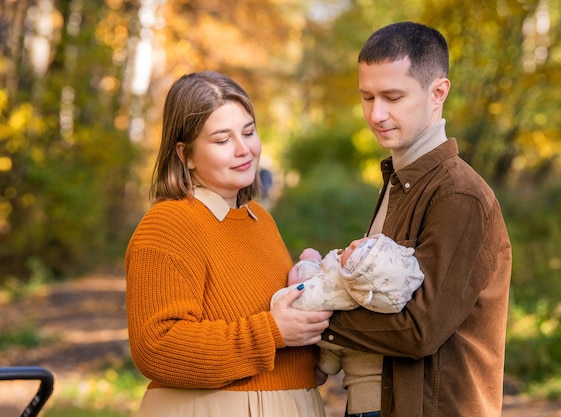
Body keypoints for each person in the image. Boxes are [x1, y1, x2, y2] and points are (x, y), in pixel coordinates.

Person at [321, 22, 512, 417]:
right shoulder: (399, 180)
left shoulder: (458, 194)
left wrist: (316, 318)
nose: (376, 113)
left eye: (393, 97)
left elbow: (419, 331)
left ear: (438, 92)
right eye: (367, 97)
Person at [125, 71, 332, 417]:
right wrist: (272, 331)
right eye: (222, 140)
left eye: (249, 132)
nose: (244, 150)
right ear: (186, 154)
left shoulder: (260, 220)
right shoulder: (168, 223)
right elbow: (156, 348)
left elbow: (281, 334)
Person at [271, 233, 425, 416]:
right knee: (336, 346)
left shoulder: (336, 288)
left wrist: (309, 263)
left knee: (333, 342)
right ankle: (324, 368)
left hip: (367, 397)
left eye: (356, 251)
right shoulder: (379, 295)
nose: (352, 244)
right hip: (368, 383)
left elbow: (295, 298)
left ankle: (323, 368)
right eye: (361, 242)